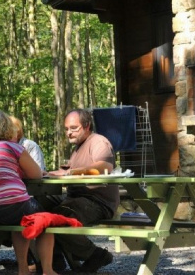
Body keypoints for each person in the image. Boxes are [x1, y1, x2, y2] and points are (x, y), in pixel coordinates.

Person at [0, 109, 58, 275]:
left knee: (21, 222)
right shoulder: (13, 147)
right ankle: (47, 270)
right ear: (6, 128)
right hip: (13, 207)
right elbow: (36, 174)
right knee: (46, 221)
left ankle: (23, 269)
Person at [44, 108, 118, 272]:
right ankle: (54, 262)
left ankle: (96, 255)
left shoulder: (98, 142)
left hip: (97, 200)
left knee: (59, 218)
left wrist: (70, 172)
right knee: (38, 207)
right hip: (76, 198)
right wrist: (49, 174)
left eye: (73, 128)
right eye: (66, 129)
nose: (69, 133)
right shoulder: (78, 147)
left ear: (86, 126)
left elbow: (105, 166)